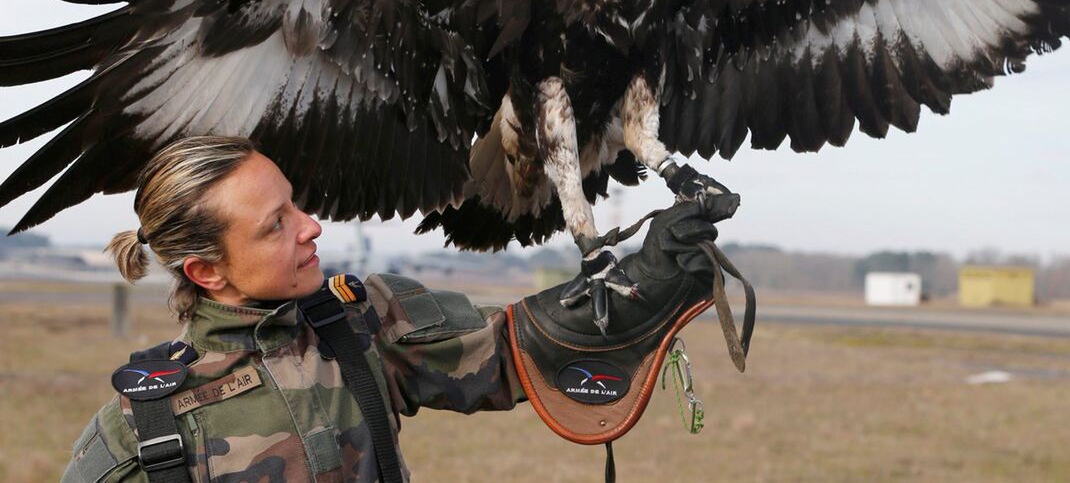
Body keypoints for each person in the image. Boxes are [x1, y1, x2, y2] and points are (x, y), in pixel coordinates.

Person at [61, 135, 738, 482]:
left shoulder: (365, 322)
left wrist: (645, 282)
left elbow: (515, 349)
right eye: (275, 225)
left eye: (296, 203)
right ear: (206, 271)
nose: (311, 227)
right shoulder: (141, 433)